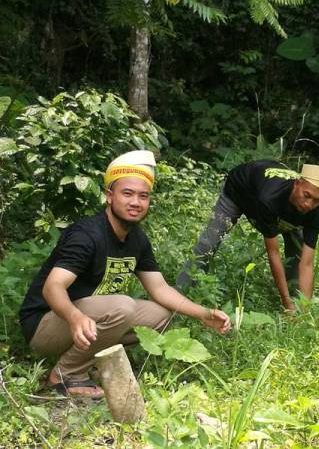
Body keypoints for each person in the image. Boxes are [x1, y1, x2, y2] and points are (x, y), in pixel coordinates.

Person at [19, 150, 231, 399]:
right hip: (45, 324)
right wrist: (75, 317)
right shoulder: (87, 234)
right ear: (110, 196)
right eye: (127, 194)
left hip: (88, 319)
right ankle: (65, 375)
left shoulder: (136, 239)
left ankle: (91, 363)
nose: (136, 202)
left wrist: (204, 314)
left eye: (143, 196)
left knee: (161, 315)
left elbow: (160, 289)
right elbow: (52, 287)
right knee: (122, 306)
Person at [177, 160, 319, 312]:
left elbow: (306, 263)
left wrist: (305, 312)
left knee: (298, 251)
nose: (309, 204)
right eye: (307, 196)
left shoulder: (316, 214)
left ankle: (299, 304)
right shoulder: (270, 199)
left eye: (317, 200)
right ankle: (180, 296)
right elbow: (273, 254)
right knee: (209, 243)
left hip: (277, 202)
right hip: (239, 190)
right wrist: (286, 305)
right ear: (297, 183)